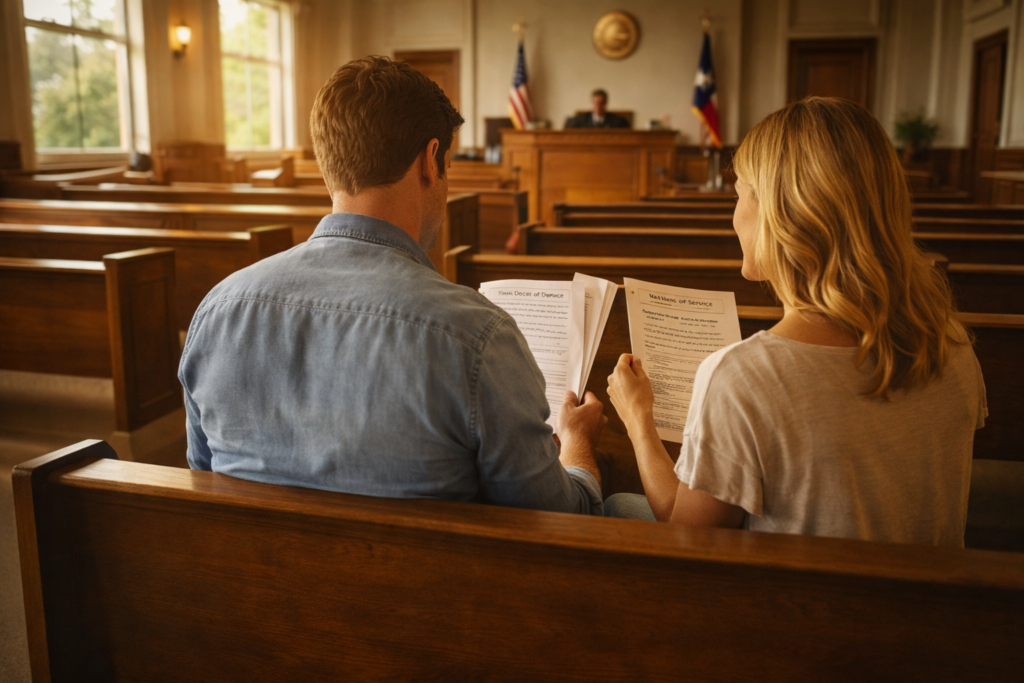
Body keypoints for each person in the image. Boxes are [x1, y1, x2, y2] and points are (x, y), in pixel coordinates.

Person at [179, 56, 607, 514]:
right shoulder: (477, 337)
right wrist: (578, 446)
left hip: (251, 579)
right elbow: (555, 521)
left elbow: (204, 481)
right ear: (430, 161)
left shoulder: (217, 309)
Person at [605, 97, 986, 547]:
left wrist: (638, 420)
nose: (735, 215)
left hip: (800, 611)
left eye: (740, 194)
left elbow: (688, 539)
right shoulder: (952, 343)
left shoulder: (743, 375)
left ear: (780, 215)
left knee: (612, 508)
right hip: (933, 609)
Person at [564, 89, 630, 129]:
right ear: (591, 103)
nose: (598, 106)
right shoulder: (579, 121)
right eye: (596, 103)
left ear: (605, 104)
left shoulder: (619, 122)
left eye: (601, 103)